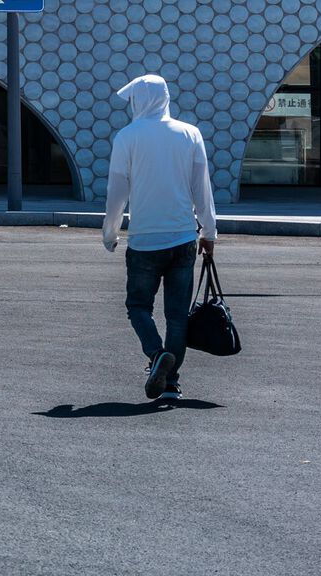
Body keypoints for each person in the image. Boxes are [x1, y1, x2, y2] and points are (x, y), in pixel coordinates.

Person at [103, 73, 219, 401]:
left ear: (139, 101)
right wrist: (208, 232)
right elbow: (202, 189)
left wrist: (110, 233)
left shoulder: (127, 137)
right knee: (176, 314)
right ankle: (171, 382)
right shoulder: (190, 134)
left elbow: (117, 192)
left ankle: (156, 356)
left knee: (138, 306)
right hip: (183, 238)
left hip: (143, 240)